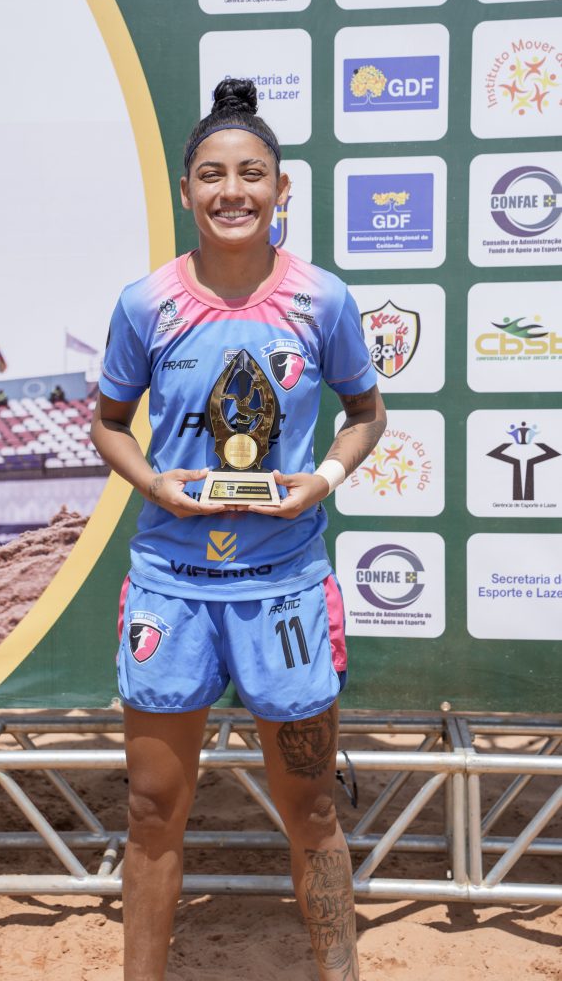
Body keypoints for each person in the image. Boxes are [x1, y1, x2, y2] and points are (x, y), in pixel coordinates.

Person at [91, 78, 386, 981]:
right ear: (185, 191)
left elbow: (365, 413)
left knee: (310, 811)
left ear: (281, 190)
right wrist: (156, 482)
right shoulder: (145, 304)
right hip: (170, 587)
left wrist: (321, 481)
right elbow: (106, 422)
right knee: (150, 809)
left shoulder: (322, 300)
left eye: (252, 175)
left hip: (284, 588)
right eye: (213, 175)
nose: (233, 192)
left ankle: (338, 973)